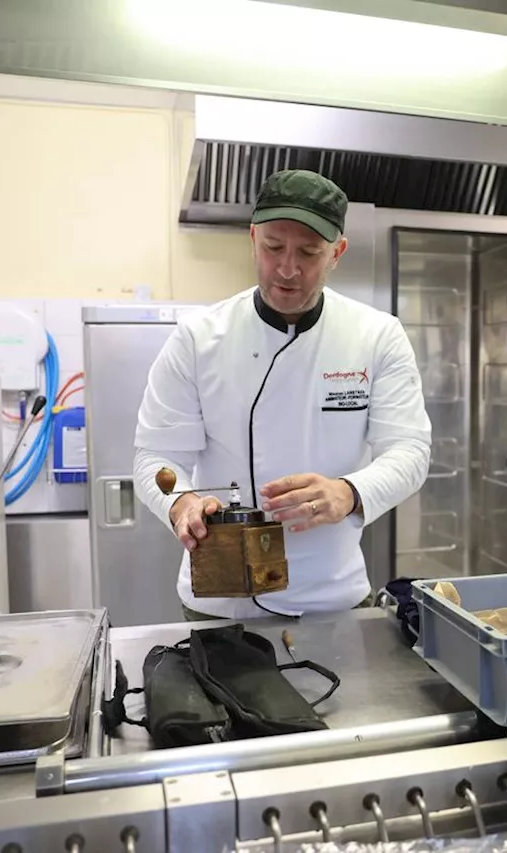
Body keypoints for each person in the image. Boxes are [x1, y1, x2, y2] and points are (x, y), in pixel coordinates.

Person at [133, 169, 431, 620]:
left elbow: (410, 451)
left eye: (309, 253)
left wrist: (349, 492)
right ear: (253, 239)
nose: (288, 269)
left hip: (333, 598)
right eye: (274, 247)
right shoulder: (198, 338)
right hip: (220, 604)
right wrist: (181, 503)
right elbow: (154, 457)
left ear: (337, 253)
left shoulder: (376, 336)